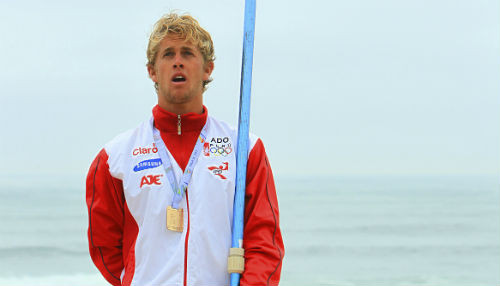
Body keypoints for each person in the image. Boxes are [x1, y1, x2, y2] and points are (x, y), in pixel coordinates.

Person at [85, 13, 284, 286]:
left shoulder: (245, 149)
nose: (177, 61)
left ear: (207, 69)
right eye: (168, 54)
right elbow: (104, 247)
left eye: (188, 53)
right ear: (152, 70)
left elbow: (265, 242)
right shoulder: (115, 158)